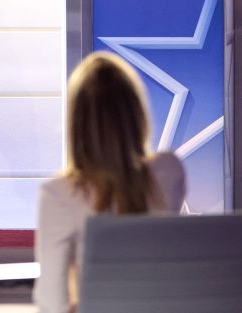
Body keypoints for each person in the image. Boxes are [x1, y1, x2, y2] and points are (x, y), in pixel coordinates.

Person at [34, 51, 185, 313]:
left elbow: (52, 304)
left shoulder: (59, 194)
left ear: (76, 123)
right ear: (136, 114)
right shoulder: (169, 171)